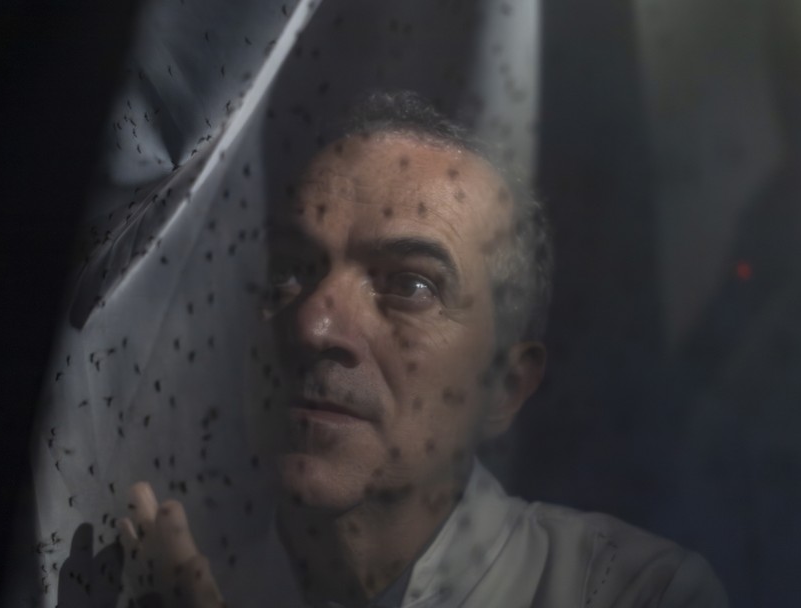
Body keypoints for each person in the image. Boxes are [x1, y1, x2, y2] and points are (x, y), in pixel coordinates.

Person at [114, 91, 730, 608]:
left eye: (410, 286)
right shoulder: (158, 585)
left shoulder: (637, 593)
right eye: (290, 271)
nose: (313, 325)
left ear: (505, 387)